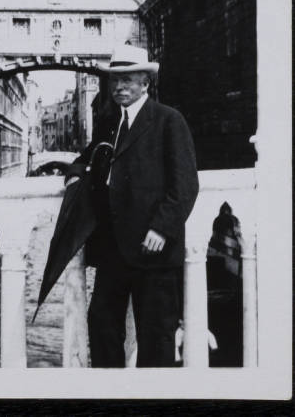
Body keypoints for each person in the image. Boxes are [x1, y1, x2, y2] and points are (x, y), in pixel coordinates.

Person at [65, 44, 199, 367]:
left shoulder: (168, 121)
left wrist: (162, 227)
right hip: (112, 248)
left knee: (156, 339)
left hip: (152, 249)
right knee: (102, 328)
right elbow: (88, 156)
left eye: (128, 80)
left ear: (145, 84)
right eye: (115, 81)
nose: (120, 87)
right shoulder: (109, 123)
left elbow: (185, 185)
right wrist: (72, 174)